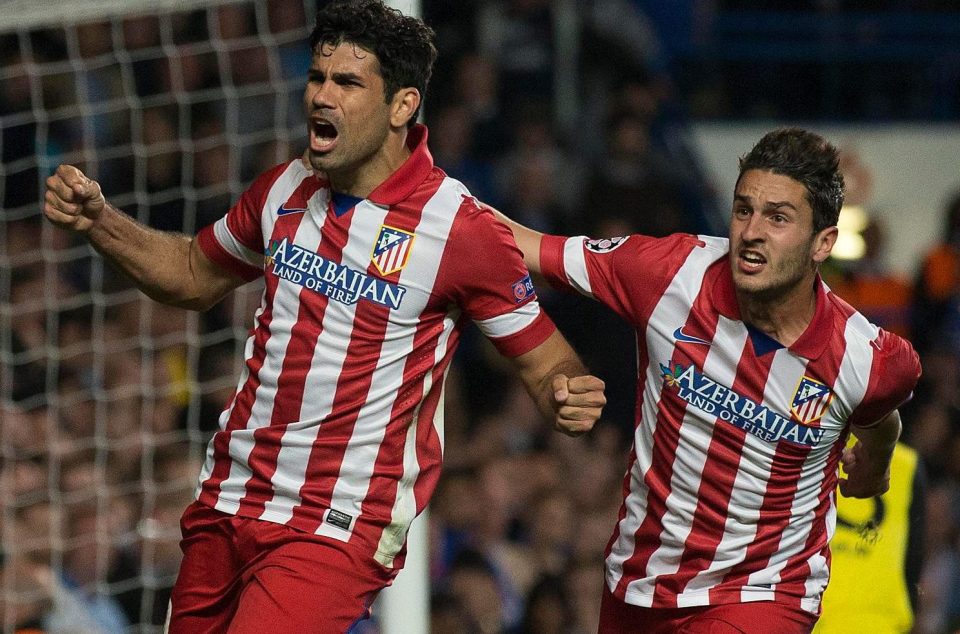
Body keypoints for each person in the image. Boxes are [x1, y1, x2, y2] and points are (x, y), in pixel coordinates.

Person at [42, 1, 606, 631]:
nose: (322, 96)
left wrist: (566, 394)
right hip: (229, 498)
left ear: (402, 105)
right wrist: (100, 222)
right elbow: (193, 275)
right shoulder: (285, 188)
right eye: (317, 77)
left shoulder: (460, 231)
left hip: (334, 523)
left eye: (347, 83)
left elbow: (546, 358)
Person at [494, 127, 921, 633]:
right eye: (744, 210)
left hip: (763, 593)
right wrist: (430, 199)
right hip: (640, 582)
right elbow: (524, 246)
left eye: (778, 217)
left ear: (822, 242)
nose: (751, 231)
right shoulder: (669, 273)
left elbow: (879, 414)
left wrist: (875, 466)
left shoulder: (870, 358)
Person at [813, 440, 925, 633]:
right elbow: (914, 560)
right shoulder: (907, 464)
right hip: (876, 622)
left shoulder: (799, 446)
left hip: (805, 612)